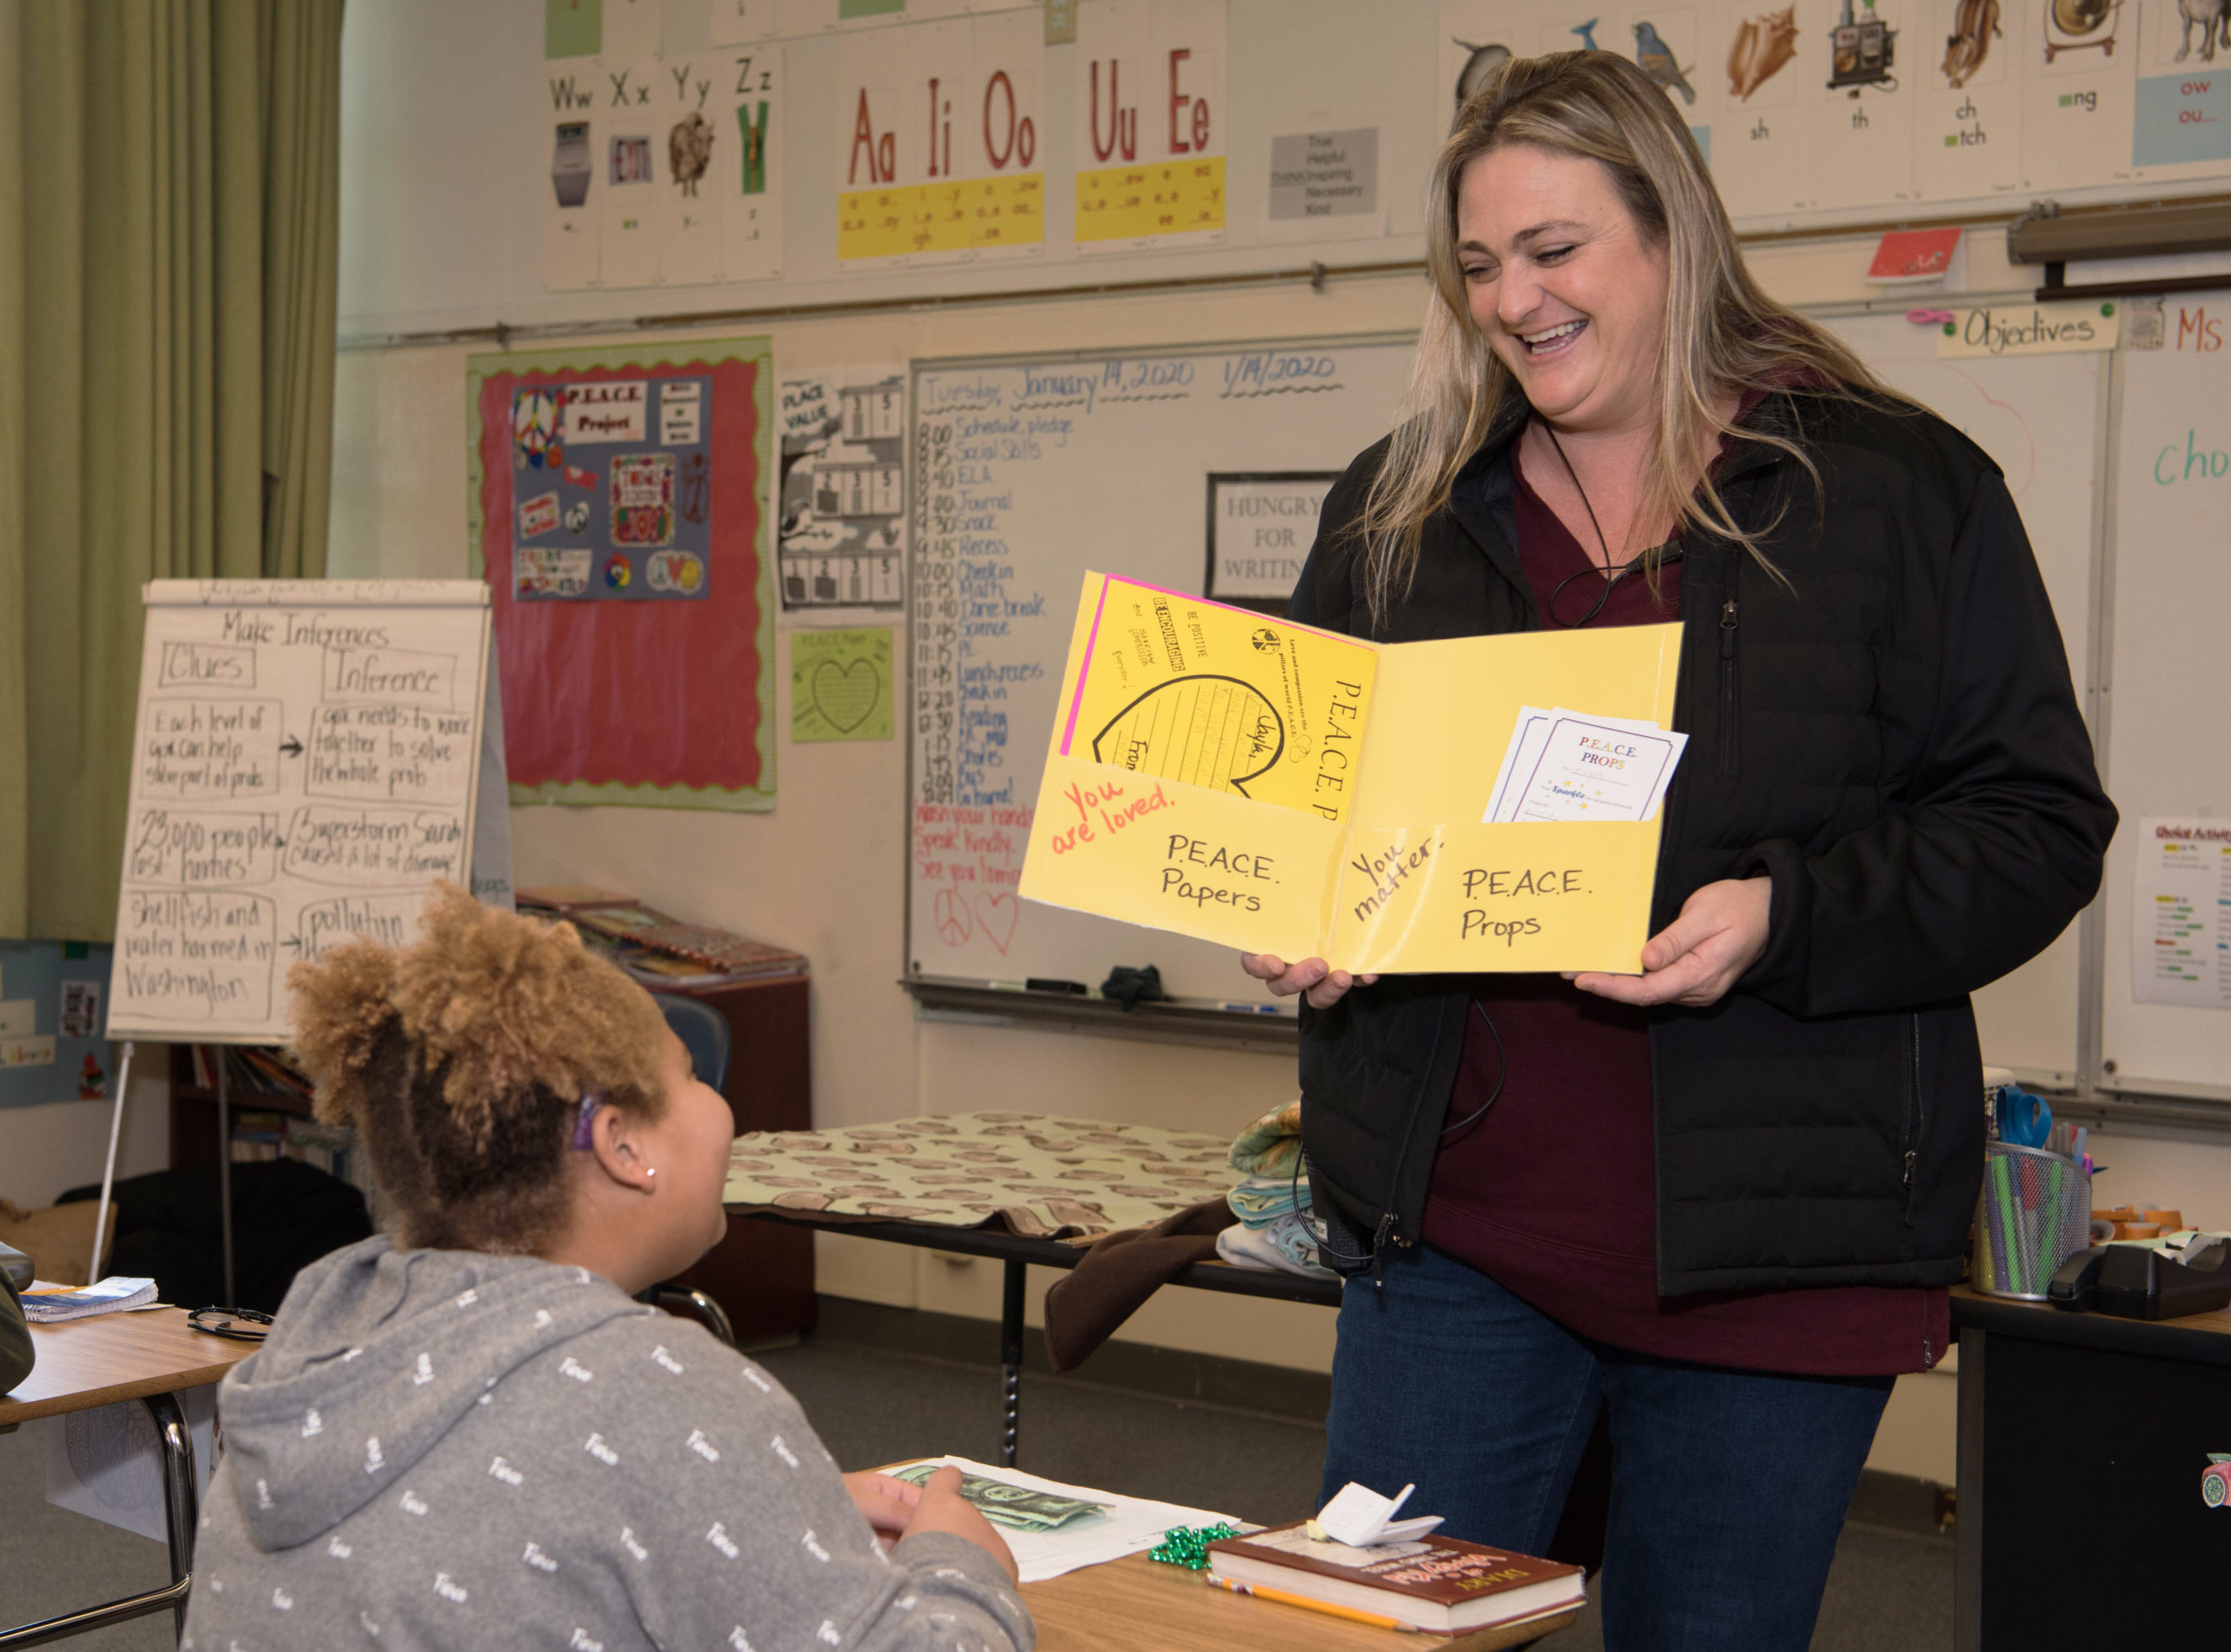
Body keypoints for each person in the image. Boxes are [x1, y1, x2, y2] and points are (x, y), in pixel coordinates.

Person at [1242, 51, 2115, 1651]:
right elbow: (1309, 809)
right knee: (1367, 1639)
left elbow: (2033, 826)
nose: (1512, 300)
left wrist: (1784, 913)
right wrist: (1300, 902)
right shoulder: (1400, 511)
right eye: (1478, 264)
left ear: (1671, 235)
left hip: (1775, 1257)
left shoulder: (1890, 493)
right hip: (1457, 1242)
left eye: (1552, 250)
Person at [183, 884, 1030, 1652]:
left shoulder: (316, 1347)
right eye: (689, 1076)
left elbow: (498, 1524)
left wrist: (750, 1508)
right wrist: (959, 1562)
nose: (718, 1104)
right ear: (624, 1146)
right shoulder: (660, 1389)